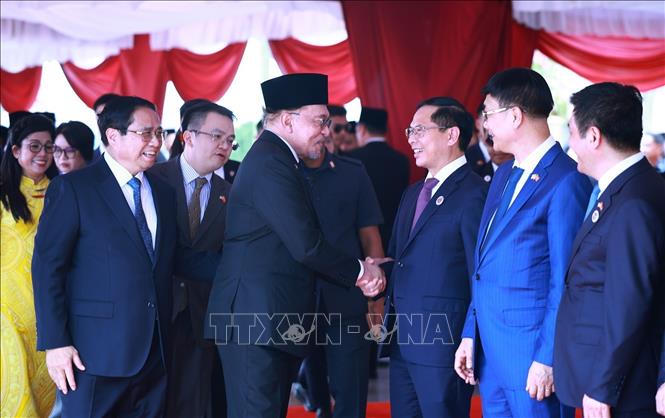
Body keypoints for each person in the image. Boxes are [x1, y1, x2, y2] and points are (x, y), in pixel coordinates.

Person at [204, 73, 386, 418]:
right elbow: (306, 245)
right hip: (255, 322)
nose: (327, 131)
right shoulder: (271, 162)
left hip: (267, 321)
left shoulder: (279, 159)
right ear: (288, 121)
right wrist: (362, 271)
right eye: (320, 121)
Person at [32, 96, 218, 417]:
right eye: (145, 133)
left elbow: (173, 257)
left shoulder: (162, 190)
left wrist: (242, 265)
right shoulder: (74, 188)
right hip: (93, 356)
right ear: (113, 136)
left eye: (158, 133)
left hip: (155, 353)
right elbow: (48, 268)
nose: (155, 142)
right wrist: (55, 343)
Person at [455, 68, 591, 418]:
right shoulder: (503, 174)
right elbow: (484, 263)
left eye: (488, 114)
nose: (485, 124)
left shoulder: (566, 180)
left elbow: (566, 280)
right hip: (491, 352)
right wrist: (471, 333)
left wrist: (548, 357)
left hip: (532, 358)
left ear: (515, 116)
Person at [553, 82, 665, 417]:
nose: (570, 143)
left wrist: (602, 386)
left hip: (621, 387)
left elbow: (628, 304)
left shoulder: (633, 202)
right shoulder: (629, 187)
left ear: (593, 136)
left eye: (572, 131)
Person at [381, 104, 487, 418]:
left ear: (451, 135)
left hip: (444, 346)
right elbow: (401, 259)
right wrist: (375, 271)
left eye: (419, 130)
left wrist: (470, 336)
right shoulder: (414, 193)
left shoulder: (475, 194)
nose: (411, 139)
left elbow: (478, 275)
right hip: (403, 339)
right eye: (410, 131)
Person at [149, 102, 235, 418]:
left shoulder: (232, 193)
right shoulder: (152, 179)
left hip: (202, 313)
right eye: (217, 136)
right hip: (153, 312)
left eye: (230, 140)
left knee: (193, 403)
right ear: (189, 136)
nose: (224, 145)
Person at [296, 131, 385, 418]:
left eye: (325, 125)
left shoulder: (352, 173)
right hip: (293, 297)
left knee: (351, 390)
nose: (320, 133)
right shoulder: (282, 172)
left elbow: (370, 236)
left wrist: (376, 296)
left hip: (346, 297)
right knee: (302, 383)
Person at [1, 114, 56, 418]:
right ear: (15, 150)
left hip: (49, 308)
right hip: (7, 311)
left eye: (49, 147)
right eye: (34, 146)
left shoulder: (64, 191)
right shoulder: (3, 194)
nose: (42, 154)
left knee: (47, 391)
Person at [465, 103, 513, 183]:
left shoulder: (515, 153)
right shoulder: (467, 159)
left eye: (498, 121)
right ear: (478, 124)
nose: (490, 127)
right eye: (486, 120)